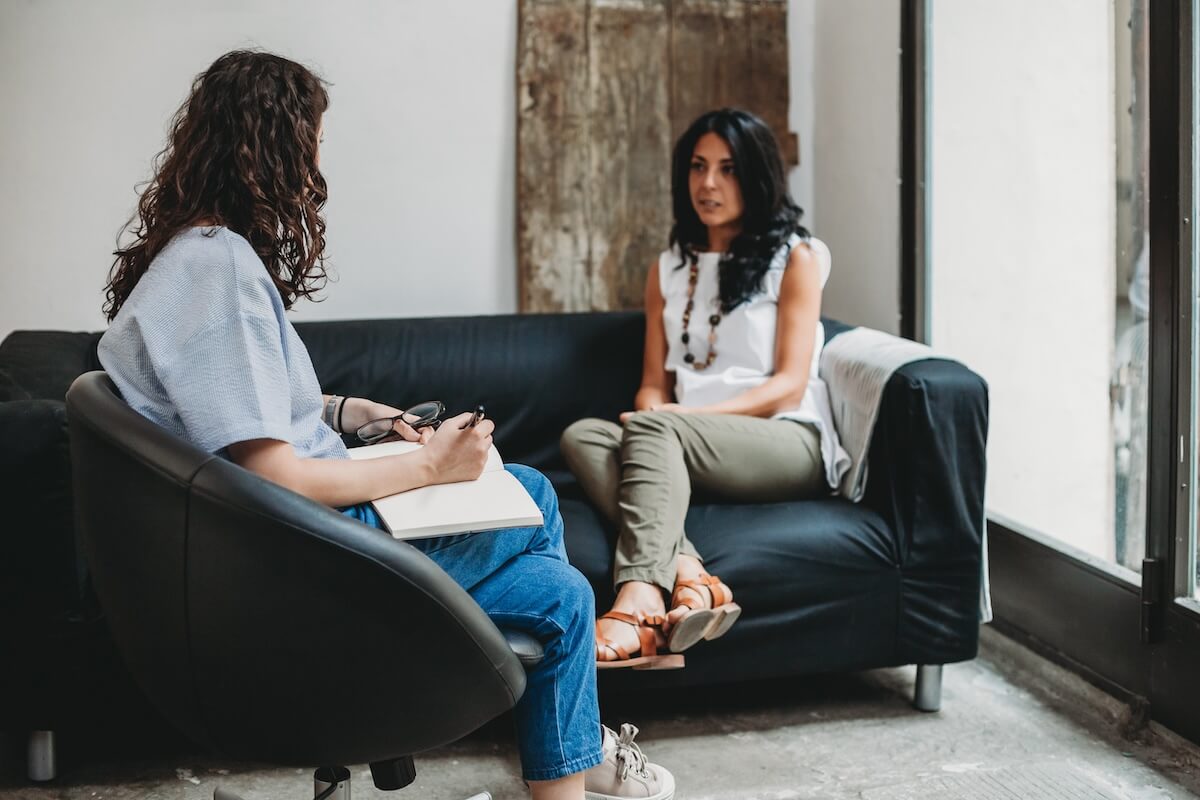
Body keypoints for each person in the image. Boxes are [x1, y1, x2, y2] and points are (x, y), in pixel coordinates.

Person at [97, 50, 673, 800]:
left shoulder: (190, 259)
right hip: (301, 563)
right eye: (311, 149)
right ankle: (568, 738)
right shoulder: (217, 270)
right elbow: (276, 476)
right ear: (270, 146)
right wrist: (433, 467)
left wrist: (350, 414)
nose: (313, 173)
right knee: (529, 492)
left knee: (562, 596)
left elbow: (242, 415)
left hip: (275, 549)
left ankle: (574, 744)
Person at [561, 108, 850, 669]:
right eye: (697, 167)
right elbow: (653, 384)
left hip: (784, 441)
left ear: (759, 176)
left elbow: (789, 386)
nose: (708, 183)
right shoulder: (670, 267)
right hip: (683, 440)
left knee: (651, 425)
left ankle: (640, 597)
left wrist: (671, 419)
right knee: (584, 435)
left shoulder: (797, 257)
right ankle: (695, 579)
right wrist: (658, 416)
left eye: (727, 168)